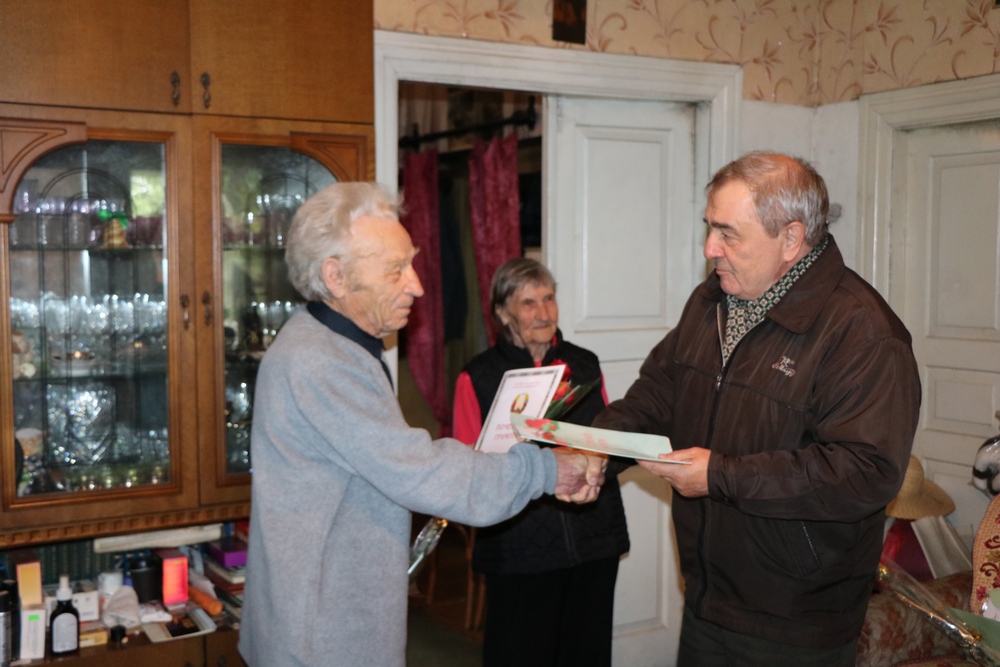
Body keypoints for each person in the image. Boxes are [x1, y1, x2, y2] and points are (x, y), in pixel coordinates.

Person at [238, 182, 607, 667]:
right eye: (395, 270)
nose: (416, 285)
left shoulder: (333, 345)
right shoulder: (321, 362)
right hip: (319, 637)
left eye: (410, 264)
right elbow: (421, 471)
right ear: (336, 277)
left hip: (324, 620)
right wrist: (547, 470)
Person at [592, 151, 921, 666]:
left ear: (791, 239)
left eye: (728, 233)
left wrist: (719, 476)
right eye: (710, 227)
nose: (710, 248)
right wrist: (596, 449)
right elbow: (658, 393)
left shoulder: (864, 332)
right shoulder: (711, 303)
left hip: (794, 620)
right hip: (706, 598)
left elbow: (864, 472)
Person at [452, 258, 630, 667]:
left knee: (587, 655)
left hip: (594, 539)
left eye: (549, 298)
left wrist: (606, 460)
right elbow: (468, 470)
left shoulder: (583, 364)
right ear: (503, 312)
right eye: (528, 302)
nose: (544, 312)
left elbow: (604, 440)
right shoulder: (477, 377)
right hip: (519, 548)